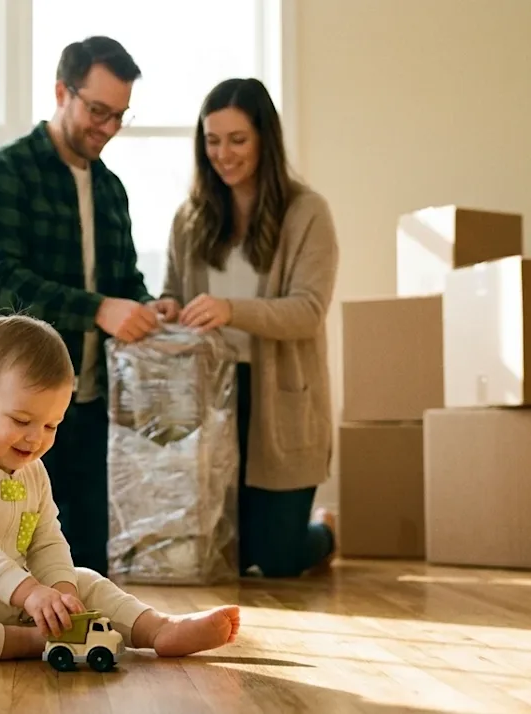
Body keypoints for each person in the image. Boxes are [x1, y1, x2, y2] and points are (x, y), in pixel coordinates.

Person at [0, 315, 240, 663]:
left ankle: (157, 629)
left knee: (85, 581)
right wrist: (32, 593)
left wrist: (63, 595)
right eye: (22, 420)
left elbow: (46, 540)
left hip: (12, 602)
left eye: (52, 425)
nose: (36, 438)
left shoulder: (32, 471)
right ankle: (31, 642)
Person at [0, 36, 164, 576]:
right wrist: (99, 309)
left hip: (84, 400)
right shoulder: (4, 173)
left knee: (86, 558)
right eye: (98, 111)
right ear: (60, 92)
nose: (108, 127)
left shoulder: (112, 191)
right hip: (10, 399)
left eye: (119, 116)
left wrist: (150, 307)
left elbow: (125, 282)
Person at [150, 77, 339, 579]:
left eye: (238, 140)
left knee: (275, 560)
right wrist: (168, 307)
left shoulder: (306, 212)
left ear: (264, 141)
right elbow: (173, 289)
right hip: (212, 395)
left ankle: (324, 532)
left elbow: (308, 310)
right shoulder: (190, 218)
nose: (224, 154)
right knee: (223, 551)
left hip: (280, 399)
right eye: (213, 141)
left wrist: (232, 310)